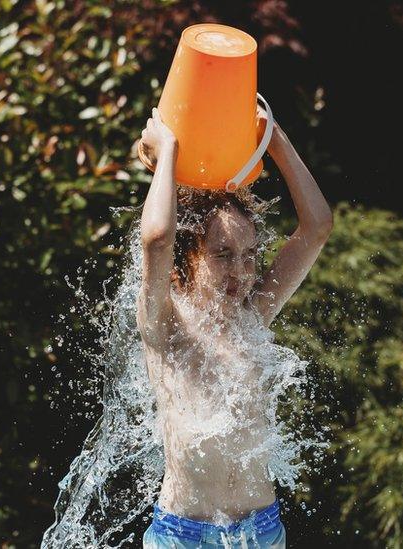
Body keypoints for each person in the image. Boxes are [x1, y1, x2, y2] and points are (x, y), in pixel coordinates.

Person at [135, 107, 333, 548]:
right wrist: (168, 150)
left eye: (249, 255)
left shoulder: (253, 315)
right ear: (187, 259)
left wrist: (275, 140)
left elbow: (317, 227)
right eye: (223, 255)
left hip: (261, 532)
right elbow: (157, 238)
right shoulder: (164, 326)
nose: (241, 272)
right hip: (184, 537)